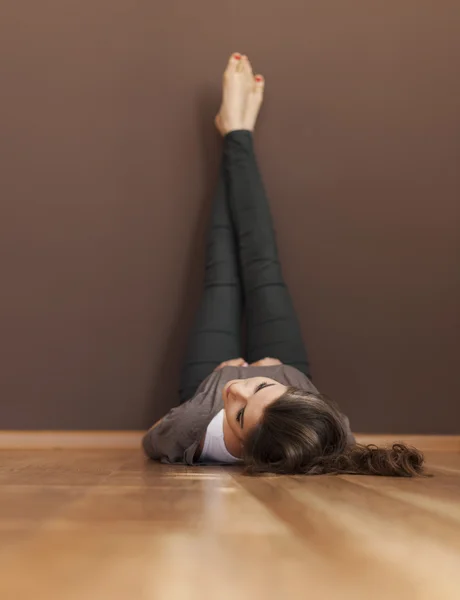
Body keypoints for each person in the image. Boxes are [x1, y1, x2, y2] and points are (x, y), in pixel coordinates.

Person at [143, 53, 424, 477]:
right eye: (258, 390)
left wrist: (221, 393)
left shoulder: (189, 434)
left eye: (239, 416)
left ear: (248, 455)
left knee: (222, 273)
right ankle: (237, 130)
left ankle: (235, 130)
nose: (237, 387)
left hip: (205, 380)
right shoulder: (334, 435)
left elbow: (152, 436)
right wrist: (278, 373)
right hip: (287, 365)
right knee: (261, 263)